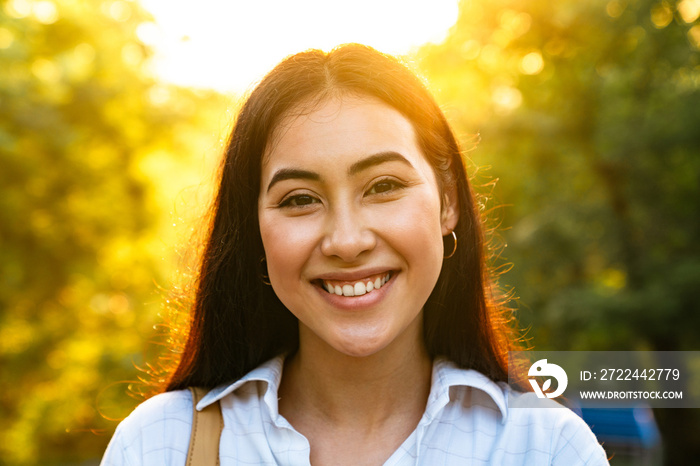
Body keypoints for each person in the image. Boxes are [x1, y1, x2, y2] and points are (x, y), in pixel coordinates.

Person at [101, 44, 608, 465]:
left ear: (447, 202)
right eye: (300, 199)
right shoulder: (157, 446)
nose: (346, 241)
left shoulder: (547, 449)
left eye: (383, 186)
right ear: (254, 228)